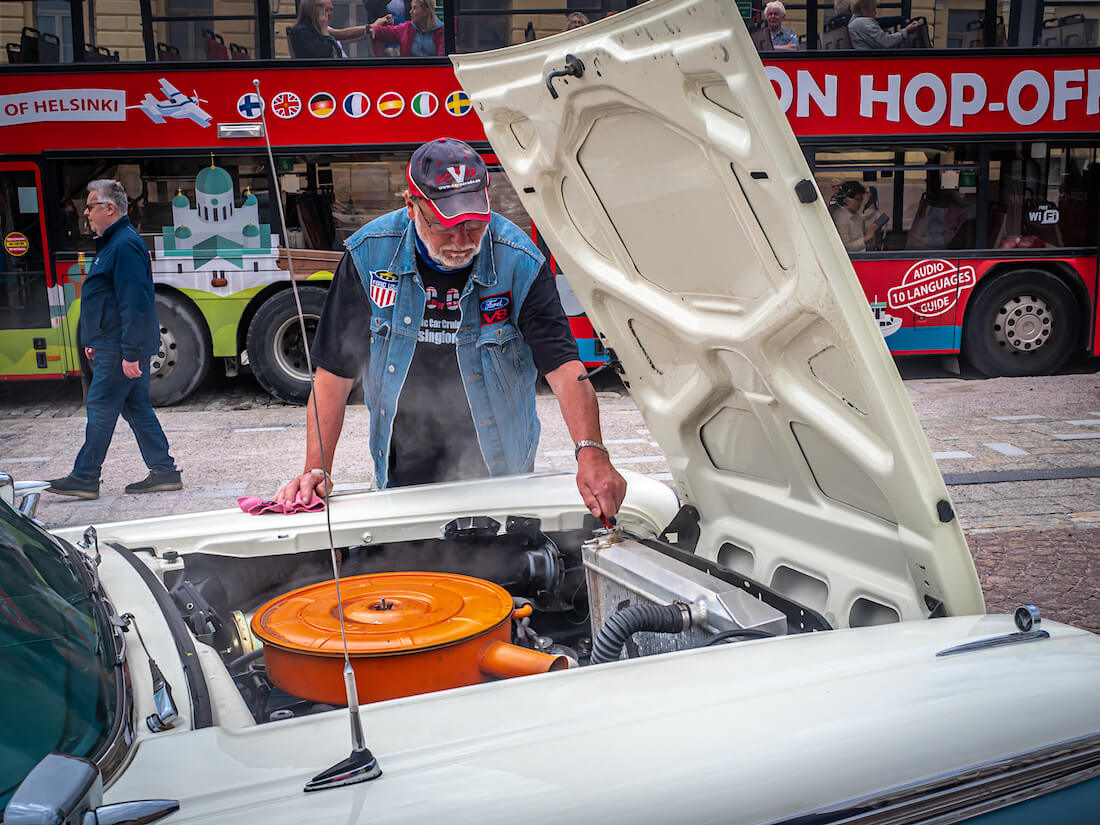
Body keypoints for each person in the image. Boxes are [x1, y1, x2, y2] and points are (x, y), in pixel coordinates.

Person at [274, 138, 627, 523]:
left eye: (474, 224)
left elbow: (563, 368)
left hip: (500, 472)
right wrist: (316, 469)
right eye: (445, 226)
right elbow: (334, 375)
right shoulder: (369, 255)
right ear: (411, 206)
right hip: (401, 471)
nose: (461, 241)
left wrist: (592, 451)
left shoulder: (519, 260)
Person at [47, 180, 181, 500]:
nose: (86, 214)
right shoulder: (113, 242)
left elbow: (133, 302)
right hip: (111, 341)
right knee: (136, 408)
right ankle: (164, 471)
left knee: (101, 405)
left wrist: (131, 353)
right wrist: (94, 336)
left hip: (120, 345)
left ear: (109, 208)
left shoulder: (123, 244)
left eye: (91, 206)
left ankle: (85, 476)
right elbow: (106, 298)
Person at [289, 0, 367, 58]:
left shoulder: (317, 29)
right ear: (312, 10)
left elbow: (338, 50)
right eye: (325, 10)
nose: (328, 14)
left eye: (331, 10)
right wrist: (324, 30)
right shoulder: (302, 31)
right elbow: (328, 56)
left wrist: (368, 29)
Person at [369, 0, 444, 57]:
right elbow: (386, 32)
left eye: (415, 8)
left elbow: (443, 61)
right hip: (409, 72)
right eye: (411, 8)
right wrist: (372, 28)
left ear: (426, 11)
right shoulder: (407, 28)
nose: (410, 12)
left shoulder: (442, 31)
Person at [848, 0, 920, 49]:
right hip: (873, 62)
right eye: (873, 9)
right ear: (864, 10)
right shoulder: (863, 23)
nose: (875, 12)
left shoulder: (855, 22)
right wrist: (906, 31)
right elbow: (886, 42)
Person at [830, 181, 878, 253]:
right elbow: (845, 247)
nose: (861, 203)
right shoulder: (841, 218)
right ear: (847, 199)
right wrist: (865, 238)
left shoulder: (856, 215)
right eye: (859, 199)